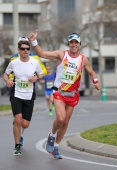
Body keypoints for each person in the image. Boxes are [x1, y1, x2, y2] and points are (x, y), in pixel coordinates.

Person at [28, 30, 101, 159]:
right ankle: (51, 134)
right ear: (69, 43)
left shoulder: (83, 59)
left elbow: (91, 72)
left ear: (79, 44)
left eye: (76, 42)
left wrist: (95, 81)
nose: (74, 45)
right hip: (59, 93)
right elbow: (42, 54)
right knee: (60, 119)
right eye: (71, 42)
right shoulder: (61, 55)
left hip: (72, 95)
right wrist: (34, 41)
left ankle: (56, 146)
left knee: (66, 122)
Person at [3, 39, 44, 156]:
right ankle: (17, 146)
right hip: (16, 94)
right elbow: (6, 74)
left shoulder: (34, 62)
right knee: (18, 119)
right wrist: (8, 81)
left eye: (27, 49)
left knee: (25, 124)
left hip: (29, 95)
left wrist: (36, 77)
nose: (25, 51)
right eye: (23, 49)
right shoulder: (14, 63)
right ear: (18, 50)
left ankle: (19, 131)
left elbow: (41, 74)